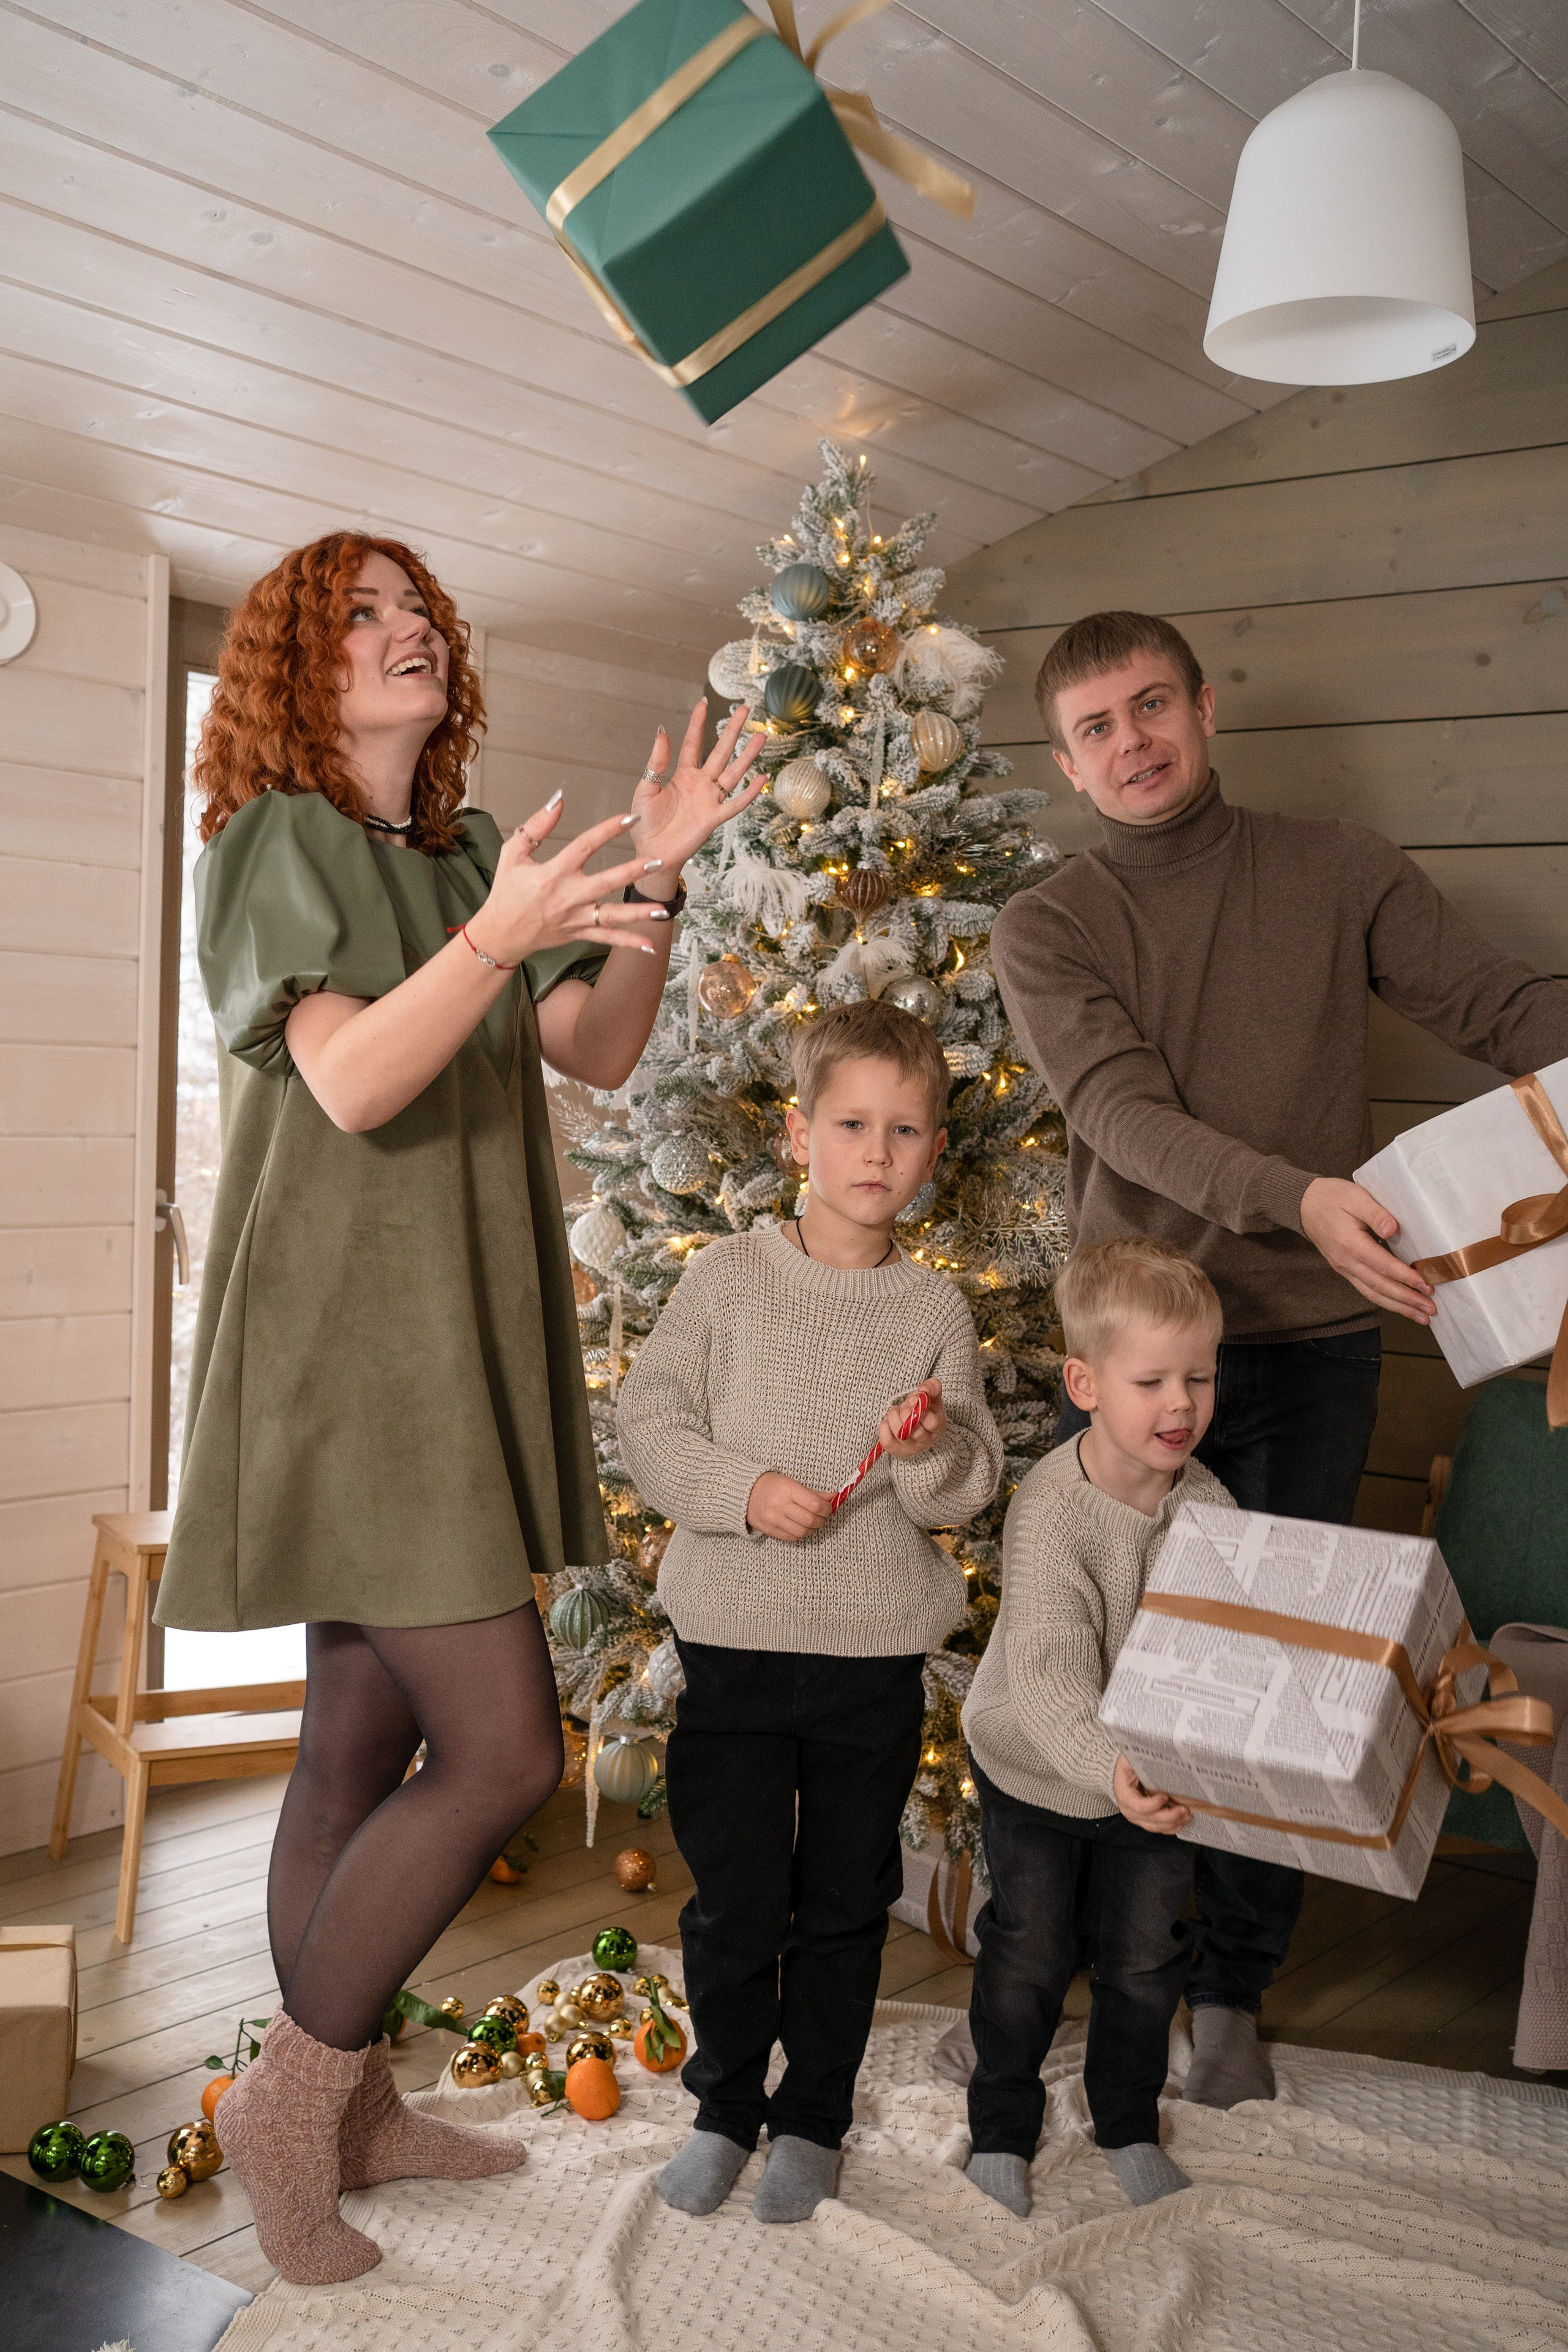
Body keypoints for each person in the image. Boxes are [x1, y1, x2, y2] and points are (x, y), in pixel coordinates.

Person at [153, 531, 764, 2285]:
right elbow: (346, 1080)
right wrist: (495, 943)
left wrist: (648, 886)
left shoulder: (482, 854)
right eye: (364, 617)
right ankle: (297, 2094)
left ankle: (346, 2107)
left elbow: (603, 1051)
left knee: (353, 1734)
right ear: (292, 666)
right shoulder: (270, 842)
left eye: (420, 612)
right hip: (354, 1353)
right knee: (505, 1749)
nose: (408, 632)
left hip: (451, 1335)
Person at [990, 608, 1568, 2109]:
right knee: (1127, 1674)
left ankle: (1228, 1994)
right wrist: (1300, 1197)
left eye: (1150, 706)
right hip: (1137, 1354)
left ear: (1201, 707)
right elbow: (1121, 1118)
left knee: (1279, 1687)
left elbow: (1498, 1007)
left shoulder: (1338, 868)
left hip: (1310, 1348)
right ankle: (1090, 1966)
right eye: (1096, 728)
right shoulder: (1047, 925)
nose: (1131, 742)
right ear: (1065, 762)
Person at [617, 999, 1003, 2224]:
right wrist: (738, 1491)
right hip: (731, 1653)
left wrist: (934, 1443)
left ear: (932, 1151)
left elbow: (966, 1488)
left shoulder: (932, 1312)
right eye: (849, 1124)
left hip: (866, 1662)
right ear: (798, 1137)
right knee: (735, 1903)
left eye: (902, 1130)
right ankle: (726, 2107)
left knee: (842, 1903)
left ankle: (812, 2120)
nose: (874, 1153)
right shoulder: (730, 1280)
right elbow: (650, 1422)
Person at [962, 1238, 1231, 2217]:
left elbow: (1219, 1649)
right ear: (1084, 1383)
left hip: (1152, 1783)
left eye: (1199, 1376)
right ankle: (1000, 2123)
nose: (1182, 1404)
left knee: (1146, 1952)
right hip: (1040, 1766)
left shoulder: (1209, 1504)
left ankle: (1124, 2120)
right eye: (1152, 1379)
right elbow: (1044, 1670)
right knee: (1030, 1947)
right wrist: (1106, 1766)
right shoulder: (1054, 1509)